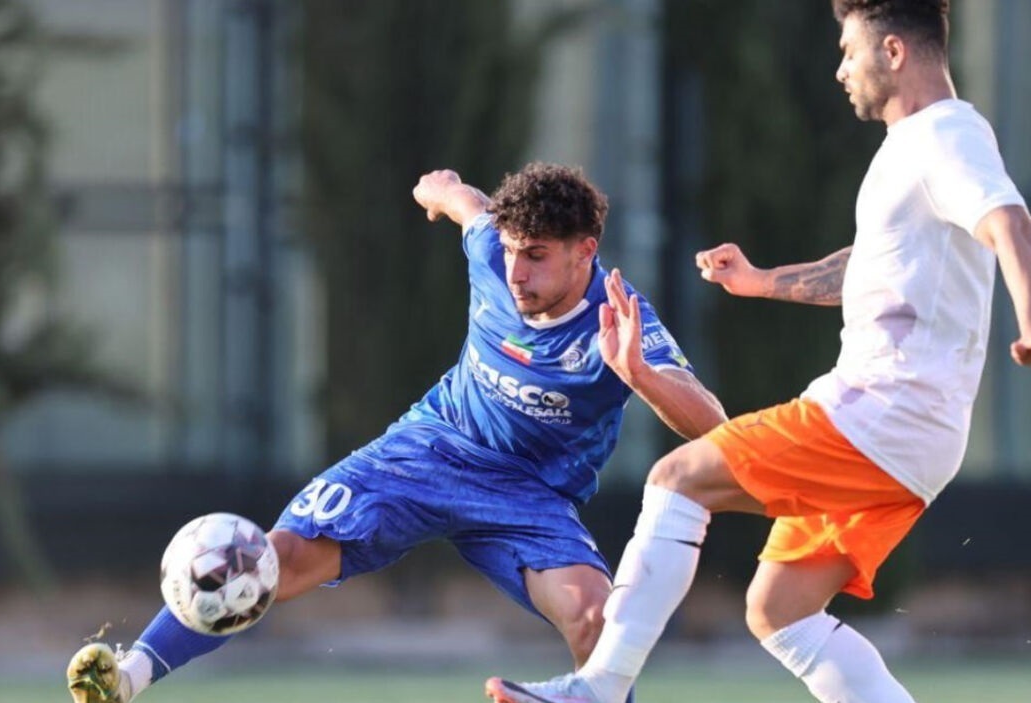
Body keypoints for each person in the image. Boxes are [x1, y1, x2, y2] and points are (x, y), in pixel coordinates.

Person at [484, 2, 1031, 702]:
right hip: (909, 431)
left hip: (883, 412)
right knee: (780, 610)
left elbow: (1009, 221)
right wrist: (763, 280)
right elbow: (876, 267)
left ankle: (599, 688)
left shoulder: (946, 134)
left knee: (677, 476)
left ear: (893, 52)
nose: (841, 69)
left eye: (849, 51)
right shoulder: (914, 147)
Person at [65, 162, 726, 703]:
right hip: (428, 448)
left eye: (536, 256)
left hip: (528, 495)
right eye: (511, 252)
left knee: (595, 620)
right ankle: (128, 677)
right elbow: (470, 206)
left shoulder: (621, 318)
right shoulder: (492, 250)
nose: (516, 273)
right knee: (269, 561)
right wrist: (440, 190)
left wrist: (639, 374)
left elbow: (714, 425)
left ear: (586, 251)